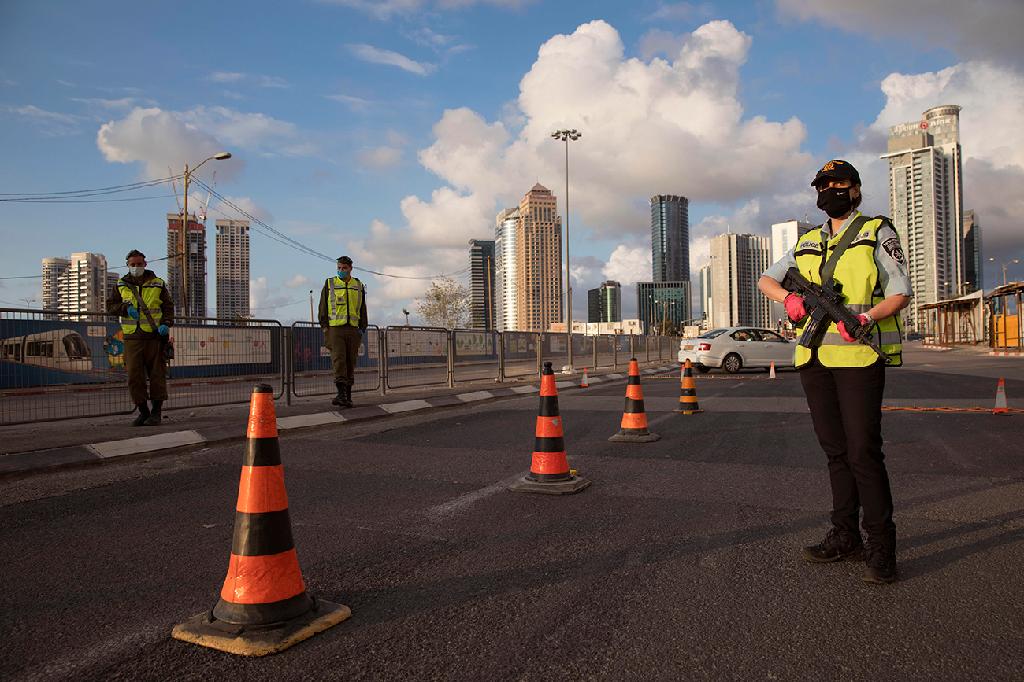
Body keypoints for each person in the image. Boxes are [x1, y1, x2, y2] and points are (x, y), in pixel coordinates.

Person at [757, 159, 912, 584]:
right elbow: (767, 279)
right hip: (815, 360)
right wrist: (789, 301)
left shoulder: (875, 231)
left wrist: (867, 318)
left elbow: (900, 291)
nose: (831, 191)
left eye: (840, 184)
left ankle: (881, 545)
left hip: (859, 357)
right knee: (836, 453)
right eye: (824, 186)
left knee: (864, 452)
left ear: (856, 189)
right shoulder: (807, 240)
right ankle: (846, 535)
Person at [106, 249, 174, 426]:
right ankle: (143, 411)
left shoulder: (158, 283)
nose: (136, 267)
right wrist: (124, 309)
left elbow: (168, 306)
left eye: (139, 264)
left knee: (157, 376)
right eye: (133, 265)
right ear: (127, 265)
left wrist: (166, 323)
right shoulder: (121, 284)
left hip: (154, 337)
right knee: (134, 377)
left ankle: (156, 413)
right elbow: (110, 306)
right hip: (132, 338)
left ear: (145, 264)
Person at [318, 256, 368, 408]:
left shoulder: (358, 285)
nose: (341, 271)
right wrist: (325, 326)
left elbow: (362, 308)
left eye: (344, 268)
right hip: (335, 329)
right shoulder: (329, 283)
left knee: (350, 362)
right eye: (339, 268)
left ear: (350, 268)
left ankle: (348, 396)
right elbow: (322, 307)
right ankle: (341, 394)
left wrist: (362, 327)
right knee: (339, 360)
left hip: (353, 329)